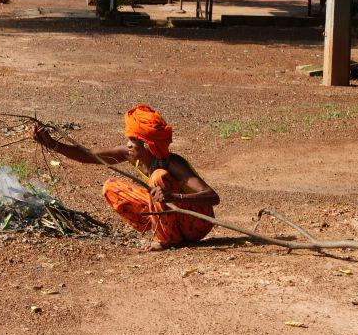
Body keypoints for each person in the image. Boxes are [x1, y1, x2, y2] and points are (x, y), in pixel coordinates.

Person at [32, 105, 219, 250]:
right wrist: (52, 144)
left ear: (147, 145)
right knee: (111, 188)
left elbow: (212, 196)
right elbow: (90, 156)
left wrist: (175, 198)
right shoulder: (130, 154)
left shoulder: (173, 164)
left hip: (196, 224)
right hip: (172, 218)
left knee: (158, 177)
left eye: (134, 141)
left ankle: (166, 239)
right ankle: (169, 235)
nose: (128, 145)